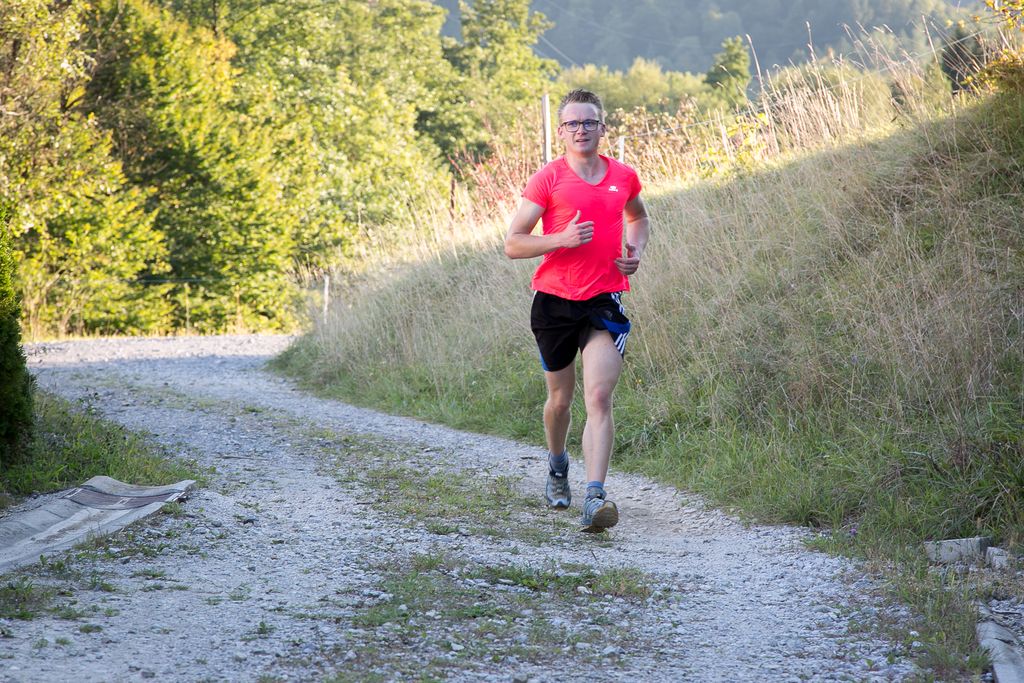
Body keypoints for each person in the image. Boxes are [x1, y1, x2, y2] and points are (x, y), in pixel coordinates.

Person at [504, 88, 650, 532]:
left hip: (604, 299)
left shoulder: (623, 176)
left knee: (599, 397)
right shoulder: (547, 179)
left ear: (603, 128)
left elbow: (638, 218)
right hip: (554, 302)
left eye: (589, 122)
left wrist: (635, 251)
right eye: (572, 123)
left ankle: (595, 497)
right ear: (562, 131)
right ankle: (557, 464)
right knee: (560, 401)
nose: (581, 130)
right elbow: (513, 243)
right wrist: (560, 240)